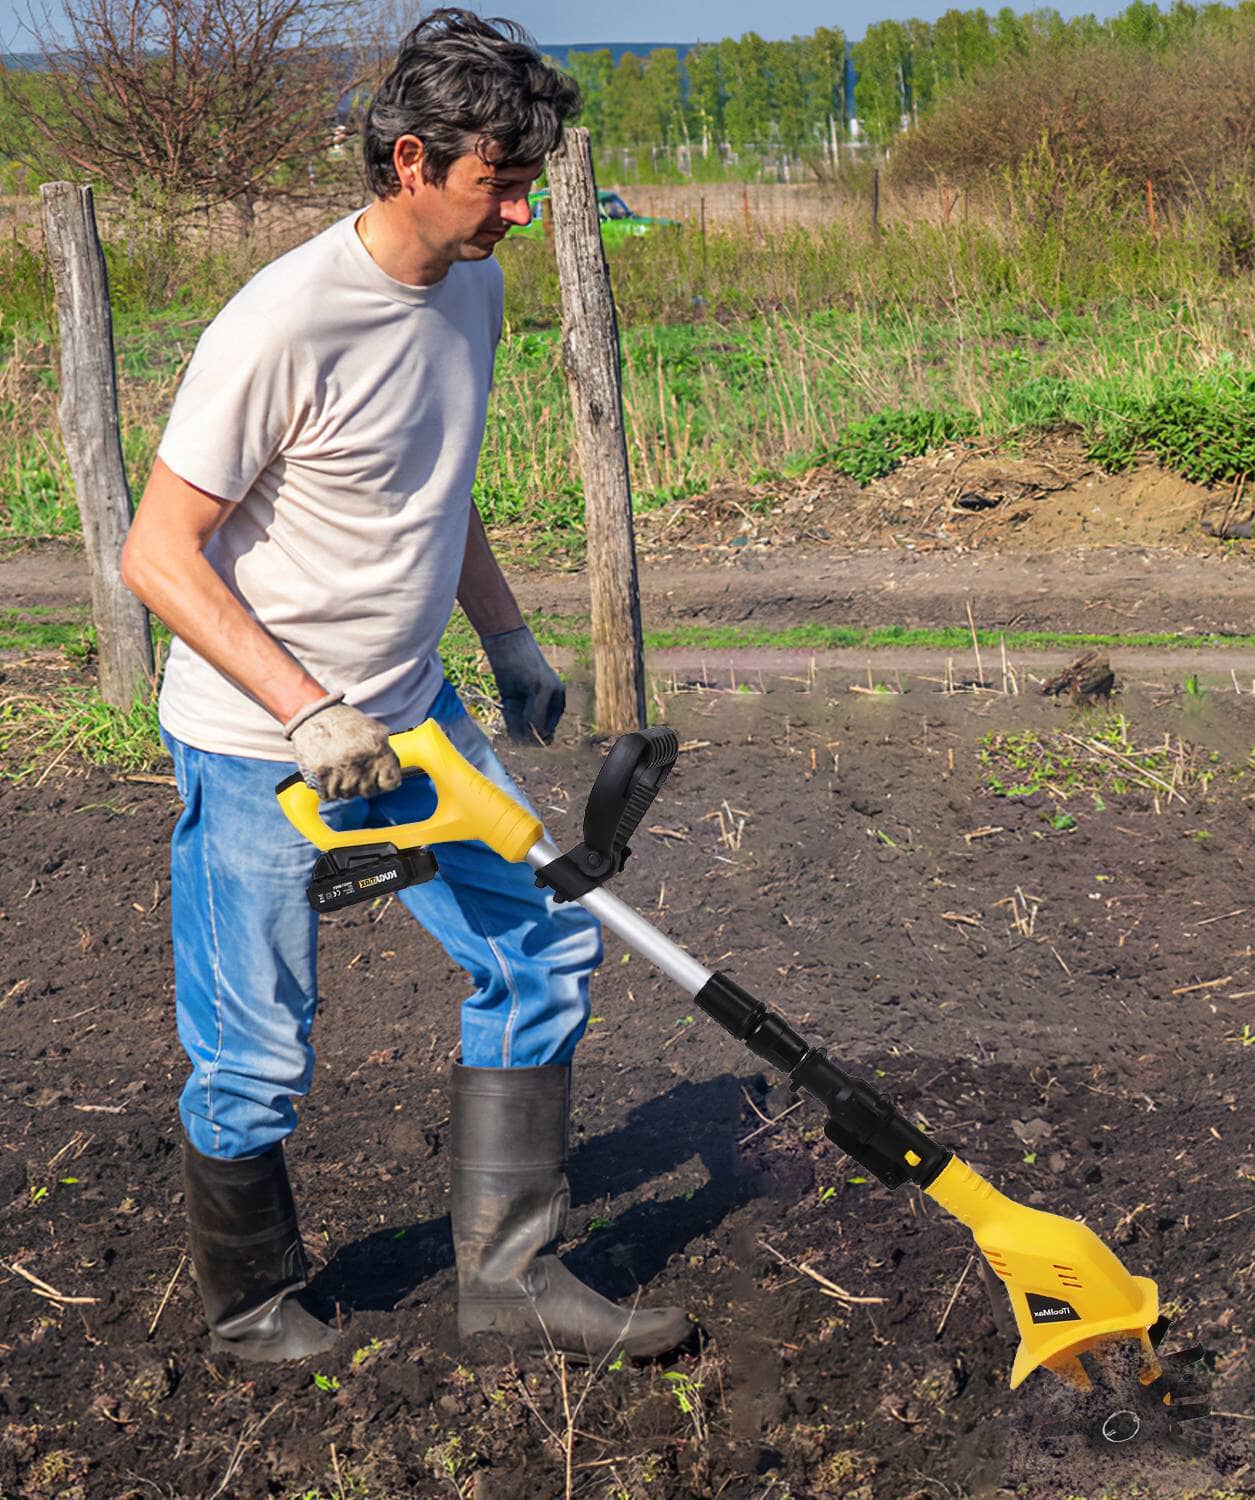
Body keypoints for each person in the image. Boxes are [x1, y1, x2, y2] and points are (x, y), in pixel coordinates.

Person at [120, 9, 691, 1366]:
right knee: (259, 1053)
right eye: (502, 177)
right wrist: (304, 708)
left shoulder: (475, 284)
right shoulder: (283, 321)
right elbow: (156, 551)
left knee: (544, 947)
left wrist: (503, 640)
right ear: (412, 159)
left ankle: (511, 1280)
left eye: (531, 175)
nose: (524, 203)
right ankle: (253, 1308)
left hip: (415, 722)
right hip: (264, 743)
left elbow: (434, 488)